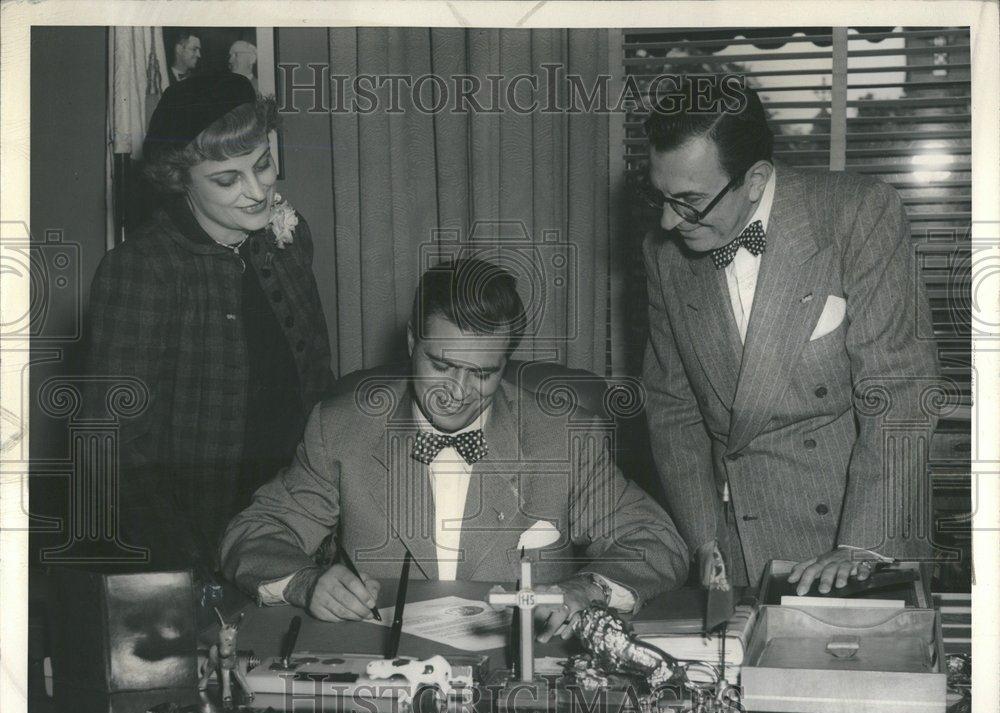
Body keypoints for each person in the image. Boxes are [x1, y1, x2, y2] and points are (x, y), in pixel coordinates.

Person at [221, 259, 689, 639]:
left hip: (518, 683)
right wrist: (306, 583)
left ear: (505, 362)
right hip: (387, 679)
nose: (457, 392)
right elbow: (255, 533)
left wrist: (584, 589)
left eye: (483, 373)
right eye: (442, 365)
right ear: (411, 340)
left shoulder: (564, 437)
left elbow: (657, 541)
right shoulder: (341, 431)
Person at [640, 80, 940, 595]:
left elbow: (901, 393)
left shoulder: (859, 214)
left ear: (755, 180)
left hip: (862, 535)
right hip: (739, 543)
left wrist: (859, 546)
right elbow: (673, 408)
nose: (669, 221)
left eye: (688, 202)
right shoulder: (663, 254)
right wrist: (705, 540)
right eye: (660, 197)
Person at [85, 74, 333, 578]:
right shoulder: (142, 268)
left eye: (262, 164)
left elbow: (315, 382)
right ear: (181, 180)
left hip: (297, 526)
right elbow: (115, 446)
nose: (257, 189)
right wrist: (186, 567)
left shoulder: (288, 236)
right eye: (227, 179)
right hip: (194, 539)